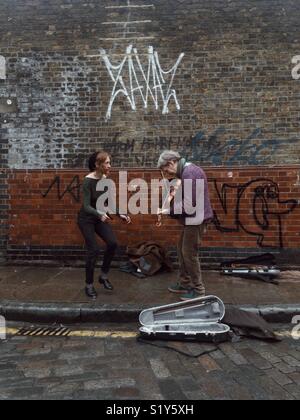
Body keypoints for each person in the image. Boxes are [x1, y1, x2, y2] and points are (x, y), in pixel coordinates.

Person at [157, 151, 213, 301]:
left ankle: (198, 290)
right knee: (181, 249)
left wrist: (168, 210)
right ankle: (184, 282)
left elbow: (189, 205)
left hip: (196, 220)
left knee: (189, 253)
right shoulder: (185, 173)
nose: (166, 173)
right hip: (192, 219)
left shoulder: (190, 173)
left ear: (171, 163)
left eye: (165, 170)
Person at [78, 151, 131, 299]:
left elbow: (109, 203)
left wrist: (121, 213)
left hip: (100, 218)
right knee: (93, 249)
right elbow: (87, 206)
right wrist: (100, 214)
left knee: (113, 243)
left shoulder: (105, 180)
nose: (109, 165)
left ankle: (103, 276)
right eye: (107, 163)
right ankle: (88, 285)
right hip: (86, 219)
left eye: (109, 162)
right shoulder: (88, 181)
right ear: (97, 165)